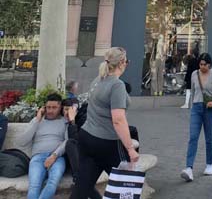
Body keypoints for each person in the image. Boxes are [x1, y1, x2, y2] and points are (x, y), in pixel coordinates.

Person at [72, 46, 139, 199]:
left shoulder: (98, 80)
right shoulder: (117, 85)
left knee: (83, 185)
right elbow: (118, 120)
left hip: (87, 136)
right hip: (107, 141)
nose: (127, 64)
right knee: (125, 187)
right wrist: (130, 149)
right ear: (121, 63)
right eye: (127, 61)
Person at [181, 52, 212, 182]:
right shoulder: (194, 74)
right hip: (197, 108)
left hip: (209, 108)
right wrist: (192, 105)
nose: (202, 66)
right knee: (193, 137)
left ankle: (210, 164)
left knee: (209, 137)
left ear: (210, 64)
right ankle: (189, 168)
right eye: (200, 64)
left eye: (204, 64)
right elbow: (193, 92)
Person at [17, 92, 67, 199]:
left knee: (52, 182)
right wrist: (37, 120)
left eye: (54, 107)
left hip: (57, 157)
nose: (50, 110)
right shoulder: (37, 121)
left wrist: (54, 155)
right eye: (48, 107)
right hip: (38, 158)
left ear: (60, 108)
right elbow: (22, 142)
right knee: (34, 186)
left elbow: (67, 141)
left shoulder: (64, 122)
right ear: (44, 107)